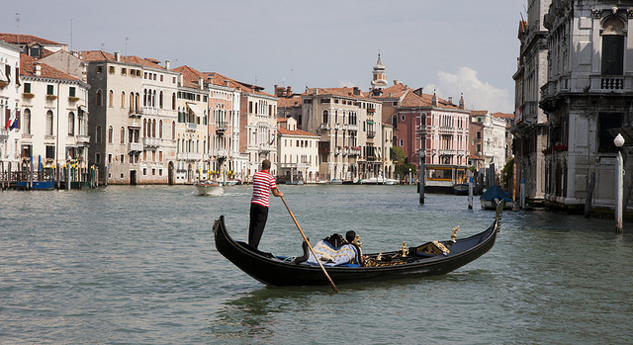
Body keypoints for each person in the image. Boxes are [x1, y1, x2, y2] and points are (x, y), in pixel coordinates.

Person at [248, 159, 283, 250]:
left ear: (261, 166)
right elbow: (275, 193)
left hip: (253, 204)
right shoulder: (270, 178)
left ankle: (250, 245)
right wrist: (280, 194)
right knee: (258, 227)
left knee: (252, 225)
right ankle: (253, 248)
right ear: (270, 167)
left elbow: (261, 180)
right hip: (263, 205)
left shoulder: (255, 175)